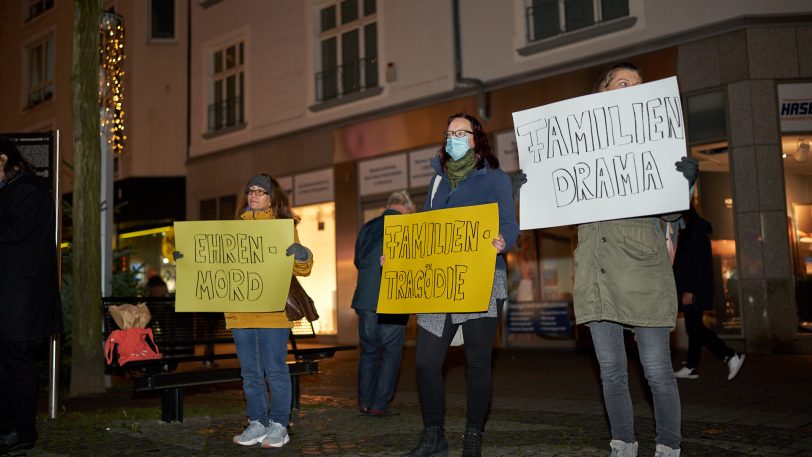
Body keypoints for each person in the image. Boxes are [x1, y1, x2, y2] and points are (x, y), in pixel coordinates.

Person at [512, 63, 697, 457]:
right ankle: (623, 443)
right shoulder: (579, 147)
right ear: (602, 95)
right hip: (596, 275)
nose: (633, 88)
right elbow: (552, 203)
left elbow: (670, 216)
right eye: (623, 82)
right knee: (611, 372)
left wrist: (684, 184)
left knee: (657, 371)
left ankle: (668, 446)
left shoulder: (654, 143)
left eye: (638, 84)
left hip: (642, 272)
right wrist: (527, 191)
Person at [403, 113, 519, 457]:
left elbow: (510, 223)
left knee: (478, 361)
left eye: (461, 132)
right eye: (449, 132)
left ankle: (472, 435)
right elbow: (425, 230)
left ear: (476, 138)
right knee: (425, 362)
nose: (453, 137)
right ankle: (434, 435)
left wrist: (503, 241)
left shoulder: (496, 178)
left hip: (481, 277)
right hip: (439, 283)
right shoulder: (437, 182)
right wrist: (401, 257)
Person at [224, 174, 313, 448]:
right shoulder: (233, 229)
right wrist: (190, 260)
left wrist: (302, 254)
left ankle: (278, 425)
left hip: (273, 311)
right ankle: (257, 422)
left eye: (260, 191)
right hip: (241, 312)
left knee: (274, 370)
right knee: (250, 372)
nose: (254, 195)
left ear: (272, 196)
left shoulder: (283, 227)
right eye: (250, 190)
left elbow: (302, 269)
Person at [0, 139, 61, 454]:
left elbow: (13, 232)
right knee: (9, 369)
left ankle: (21, 432)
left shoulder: (28, 190)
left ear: (2, 160)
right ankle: (10, 428)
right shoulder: (14, 190)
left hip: (21, 307)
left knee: (18, 369)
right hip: (13, 305)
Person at [352, 190, 414, 417]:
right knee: (390, 353)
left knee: (369, 351)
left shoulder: (368, 227)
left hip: (366, 298)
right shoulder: (408, 227)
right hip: (394, 298)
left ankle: (364, 402)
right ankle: (379, 404)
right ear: (406, 209)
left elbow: (358, 260)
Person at [672, 208, 745, 381]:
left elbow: (695, 264)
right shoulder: (693, 230)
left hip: (693, 290)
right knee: (694, 327)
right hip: (694, 289)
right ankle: (691, 366)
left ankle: (730, 355)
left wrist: (689, 290)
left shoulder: (694, 232)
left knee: (696, 328)